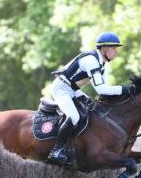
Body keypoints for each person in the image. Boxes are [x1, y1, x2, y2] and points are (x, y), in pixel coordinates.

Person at [48, 31, 136, 166]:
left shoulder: (102, 65)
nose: (116, 52)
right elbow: (100, 89)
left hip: (73, 91)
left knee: (92, 110)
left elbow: (106, 90)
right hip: (61, 89)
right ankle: (56, 150)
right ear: (104, 48)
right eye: (113, 48)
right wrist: (124, 89)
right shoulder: (91, 61)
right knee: (74, 117)